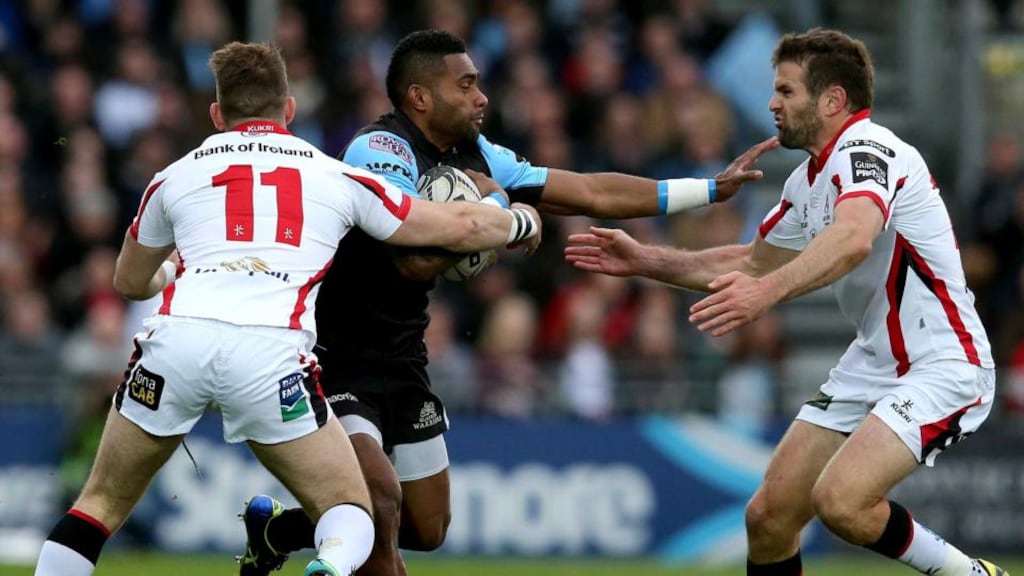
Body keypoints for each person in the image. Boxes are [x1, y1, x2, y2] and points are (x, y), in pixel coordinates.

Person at [237, 29, 778, 576]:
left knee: (427, 527)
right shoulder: (379, 151)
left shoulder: (477, 155)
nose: (481, 97)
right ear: (420, 96)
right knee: (380, 503)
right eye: (465, 85)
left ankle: (275, 531)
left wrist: (709, 188)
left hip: (403, 357)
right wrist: (498, 212)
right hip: (335, 356)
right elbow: (408, 260)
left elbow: (591, 192)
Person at [32, 41, 543, 576]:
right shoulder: (336, 176)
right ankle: (330, 564)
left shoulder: (172, 175)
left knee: (96, 507)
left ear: (217, 115)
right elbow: (461, 225)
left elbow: (128, 281)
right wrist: (515, 217)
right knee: (350, 511)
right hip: (269, 356)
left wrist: (170, 272)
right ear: (290, 109)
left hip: (176, 345)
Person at [564, 28, 1007, 576]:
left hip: (943, 361)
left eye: (786, 91)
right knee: (769, 517)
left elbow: (853, 238)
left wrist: (766, 293)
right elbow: (752, 263)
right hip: (875, 361)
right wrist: (645, 260)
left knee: (841, 502)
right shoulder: (807, 181)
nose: (772, 102)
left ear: (833, 100)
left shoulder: (871, 151)